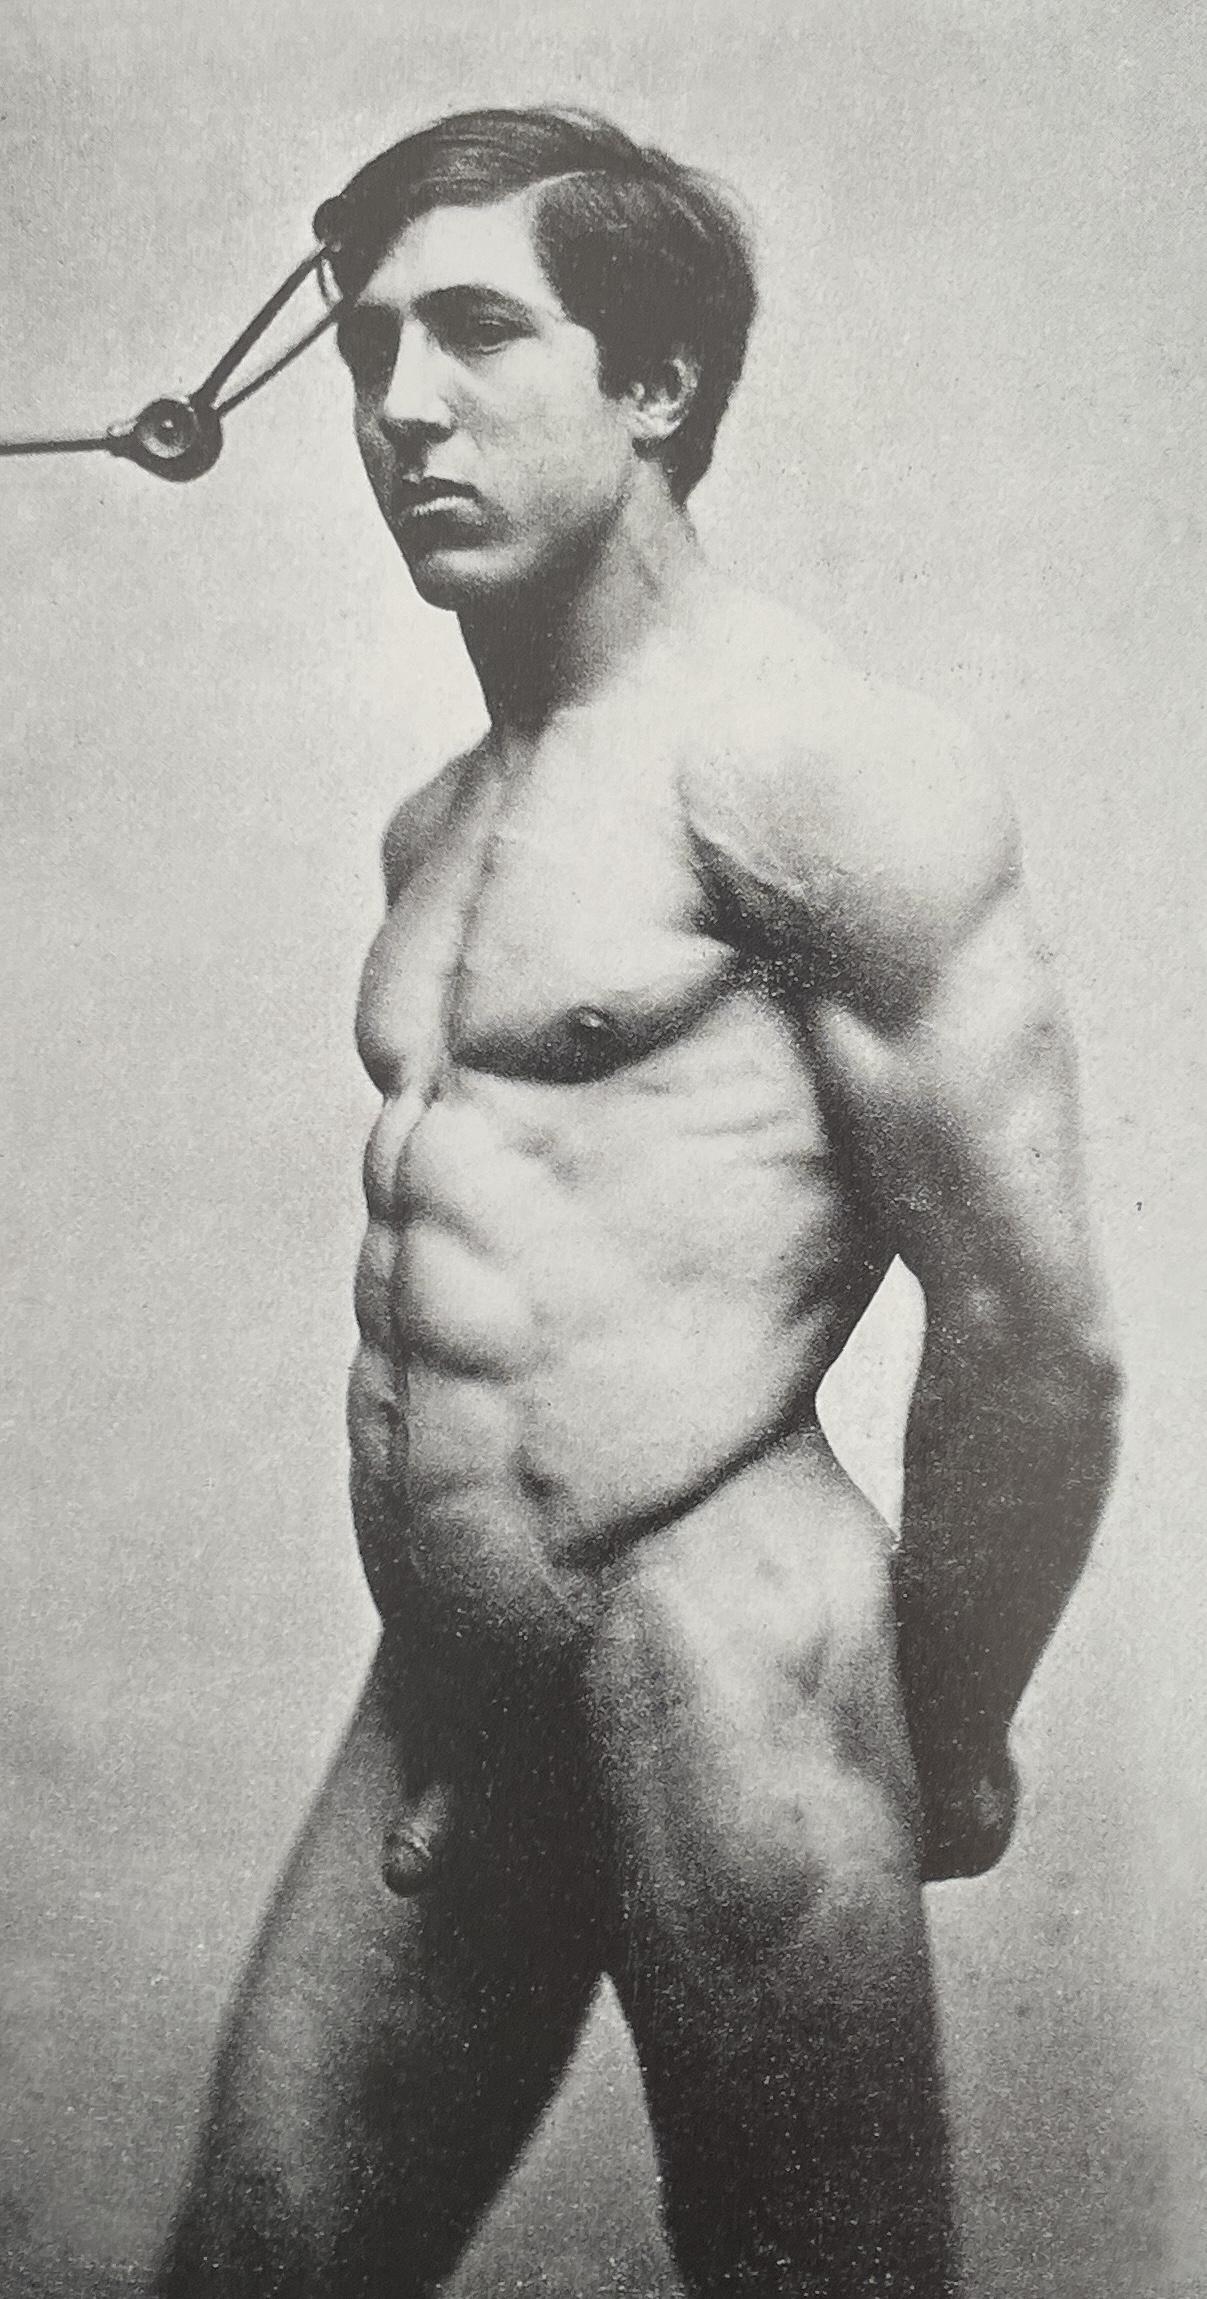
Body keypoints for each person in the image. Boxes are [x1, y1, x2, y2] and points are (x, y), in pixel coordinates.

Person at [155, 107, 1121, 2298]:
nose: (402, 407)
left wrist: (951, 1720)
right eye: (371, 347)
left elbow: (1030, 1332)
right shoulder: (436, 828)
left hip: (720, 1671)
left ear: (658, 383)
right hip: (454, 1695)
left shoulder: (808, 763)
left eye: (478, 331)